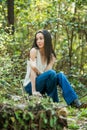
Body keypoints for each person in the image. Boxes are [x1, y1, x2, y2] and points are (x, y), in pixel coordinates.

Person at [23, 29, 86, 108]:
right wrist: (34, 91)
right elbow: (33, 71)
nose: (38, 41)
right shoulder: (34, 51)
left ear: (47, 39)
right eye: (37, 39)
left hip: (42, 84)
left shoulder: (51, 56)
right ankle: (55, 101)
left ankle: (74, 102)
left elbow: (48, 75)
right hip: (30, 86)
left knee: (60, 75)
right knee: (52, 73)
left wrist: (51, 63)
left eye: (41, 38)